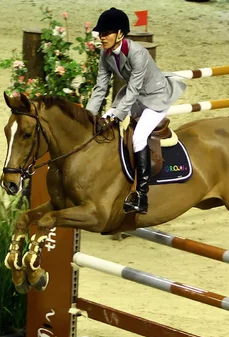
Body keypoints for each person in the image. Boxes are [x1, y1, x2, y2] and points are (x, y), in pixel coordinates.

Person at [85, 7, 186, 214]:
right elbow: (100, 88)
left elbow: (134, 89)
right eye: (100, 33)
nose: (102, 37)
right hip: (135, 97)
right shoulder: (105, 55)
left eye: (106, 33)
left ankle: (141, 194)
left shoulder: (137, 53)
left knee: (139, 137)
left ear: (120, 33)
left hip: (156, 98)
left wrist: (117, 115)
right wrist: (88, 116)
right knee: (102, 124)